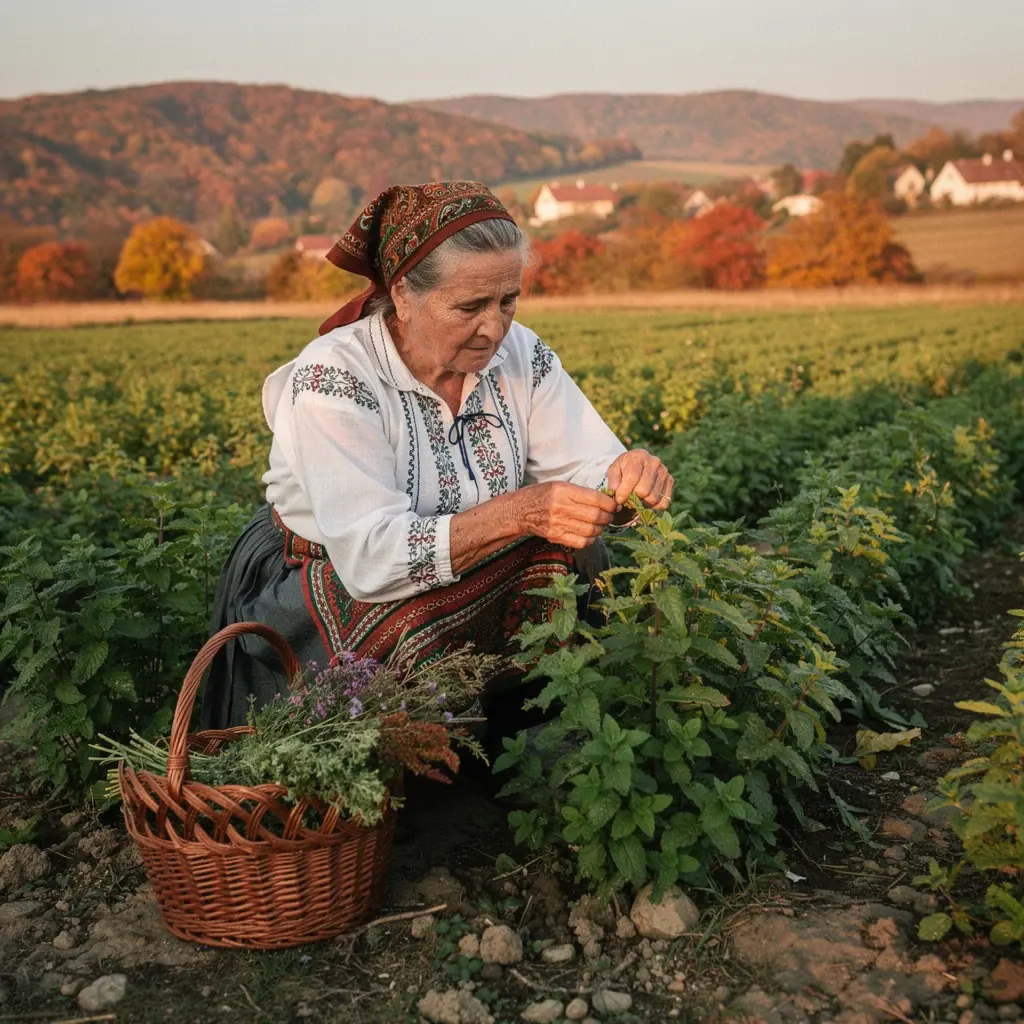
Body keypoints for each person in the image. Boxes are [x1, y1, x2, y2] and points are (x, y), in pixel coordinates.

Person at [201, 181, 673, 730]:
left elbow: (584, 463)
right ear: (403, 295)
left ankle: (509, 741)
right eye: (470, 306)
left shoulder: (522, 354)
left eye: (508, 300)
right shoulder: (334, 378)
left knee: (573, 558)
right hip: (325, 576)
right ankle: (396, 758)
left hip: (453, 565)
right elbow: (371, 559)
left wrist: (621, 478)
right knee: (411, 612)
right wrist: (520, 512)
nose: (495, 327)